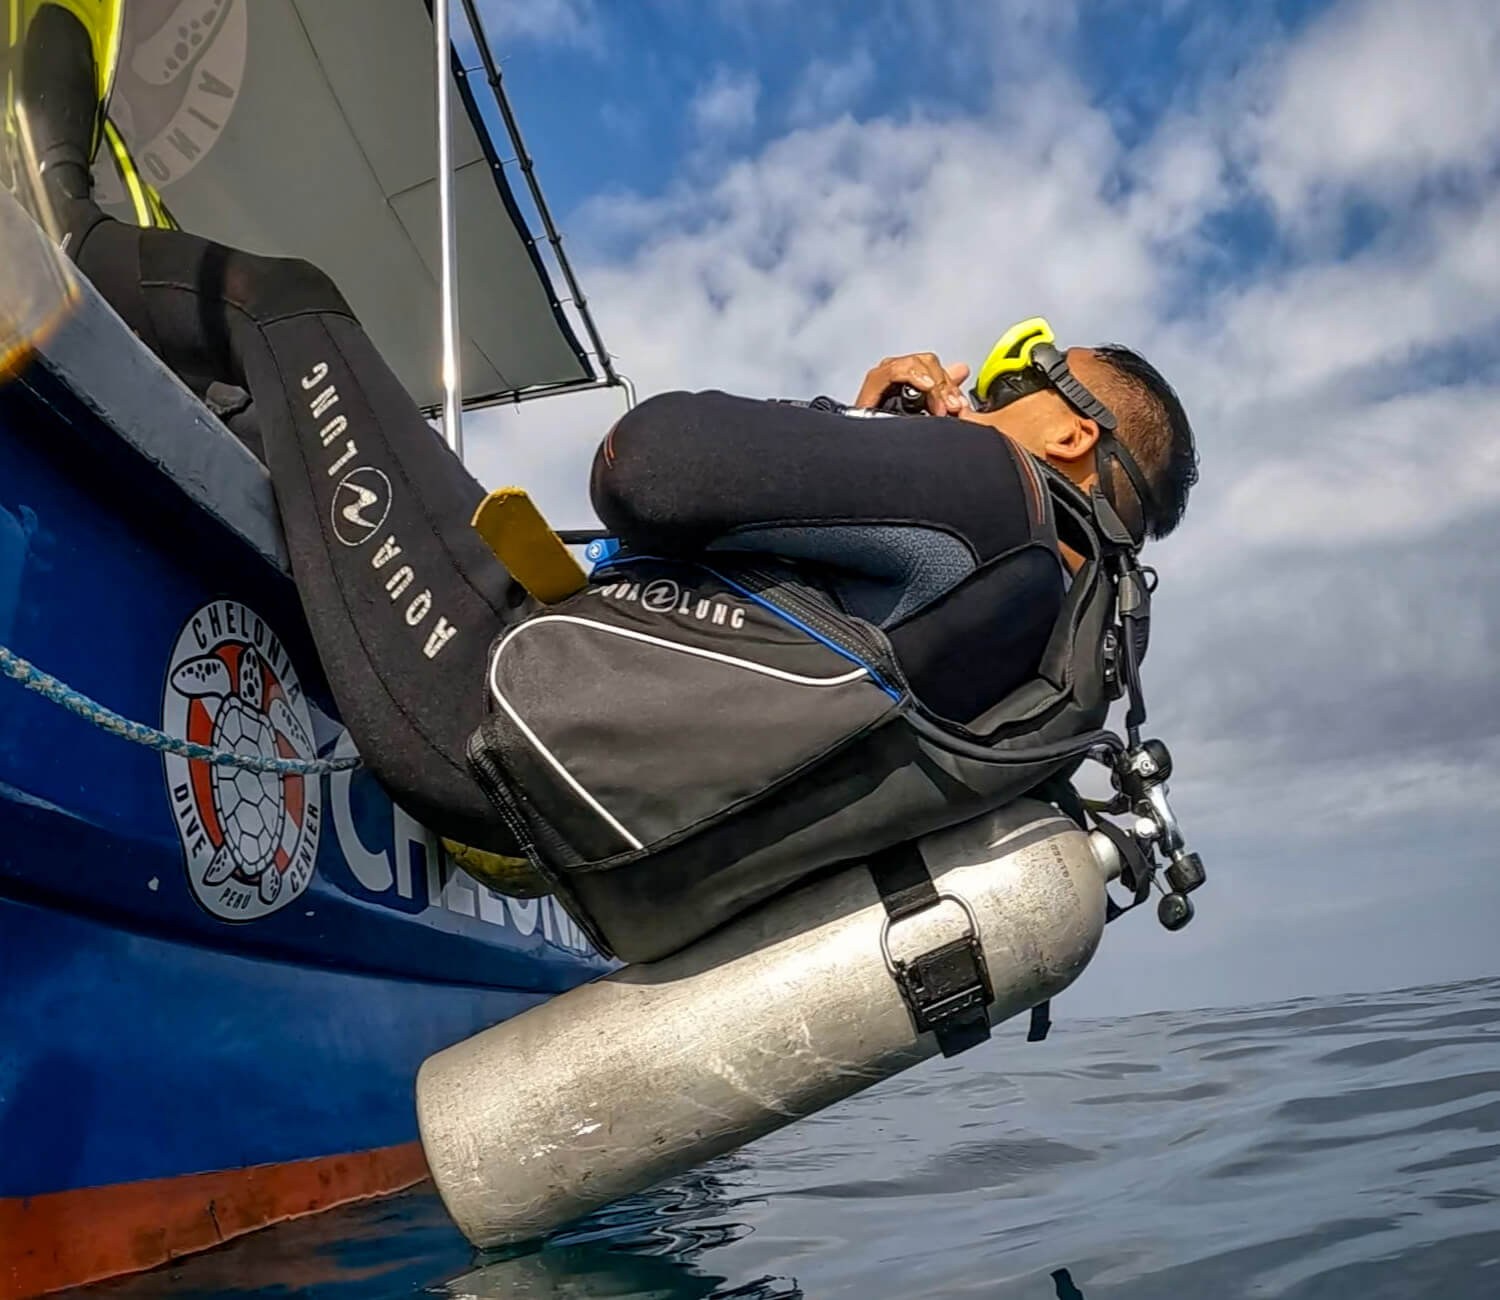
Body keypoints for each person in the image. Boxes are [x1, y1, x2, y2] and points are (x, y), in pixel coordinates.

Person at [20, 4, 1196, 868]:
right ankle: (216, 402)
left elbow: (643, 468)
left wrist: (857, 420)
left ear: (1071, 431)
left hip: (483, 701)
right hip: (572, 780)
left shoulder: (1000, 492)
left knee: (283, 308)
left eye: (1015, 373)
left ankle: (62, 230)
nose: (980, 388)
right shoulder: (1051, 641)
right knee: (294, 422)